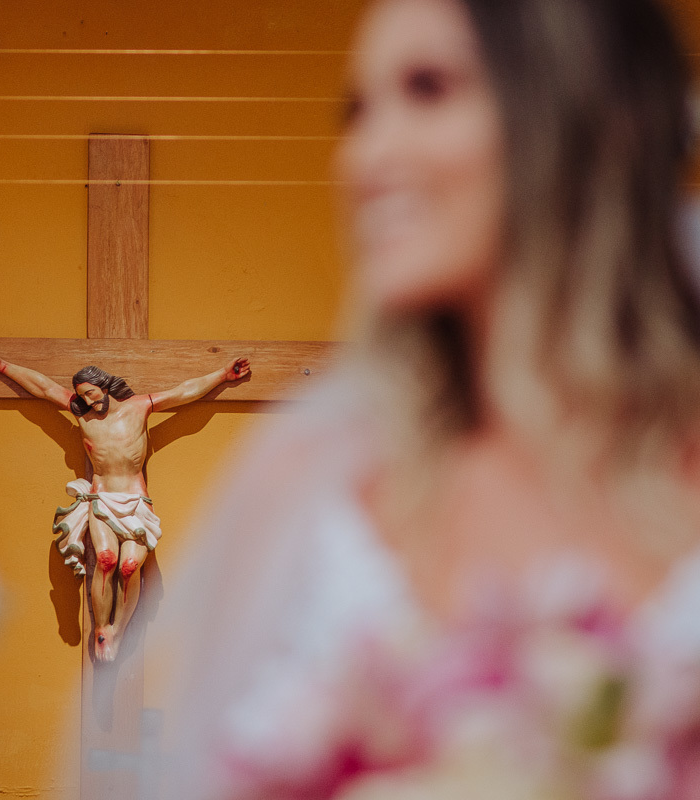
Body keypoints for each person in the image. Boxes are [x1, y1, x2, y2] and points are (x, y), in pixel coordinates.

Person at [158, 0, 700, 797]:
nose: (369, 155)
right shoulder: (310, 493)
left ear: (592, 115)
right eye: (357, 112)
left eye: (430, 88)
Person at [0, 350, 249, 661]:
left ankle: (119, 628)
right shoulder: (83, 416)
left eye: (91, 393)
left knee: (130, 567)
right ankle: (102, 628)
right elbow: (45, 388)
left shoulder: (140, 407)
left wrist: (223, 375)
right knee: (105, 560)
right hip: (102, 499)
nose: (89, 401)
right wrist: (5, 367)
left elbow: (184, 392)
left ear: (104, 386)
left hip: (136, 503)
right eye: (83, 397)